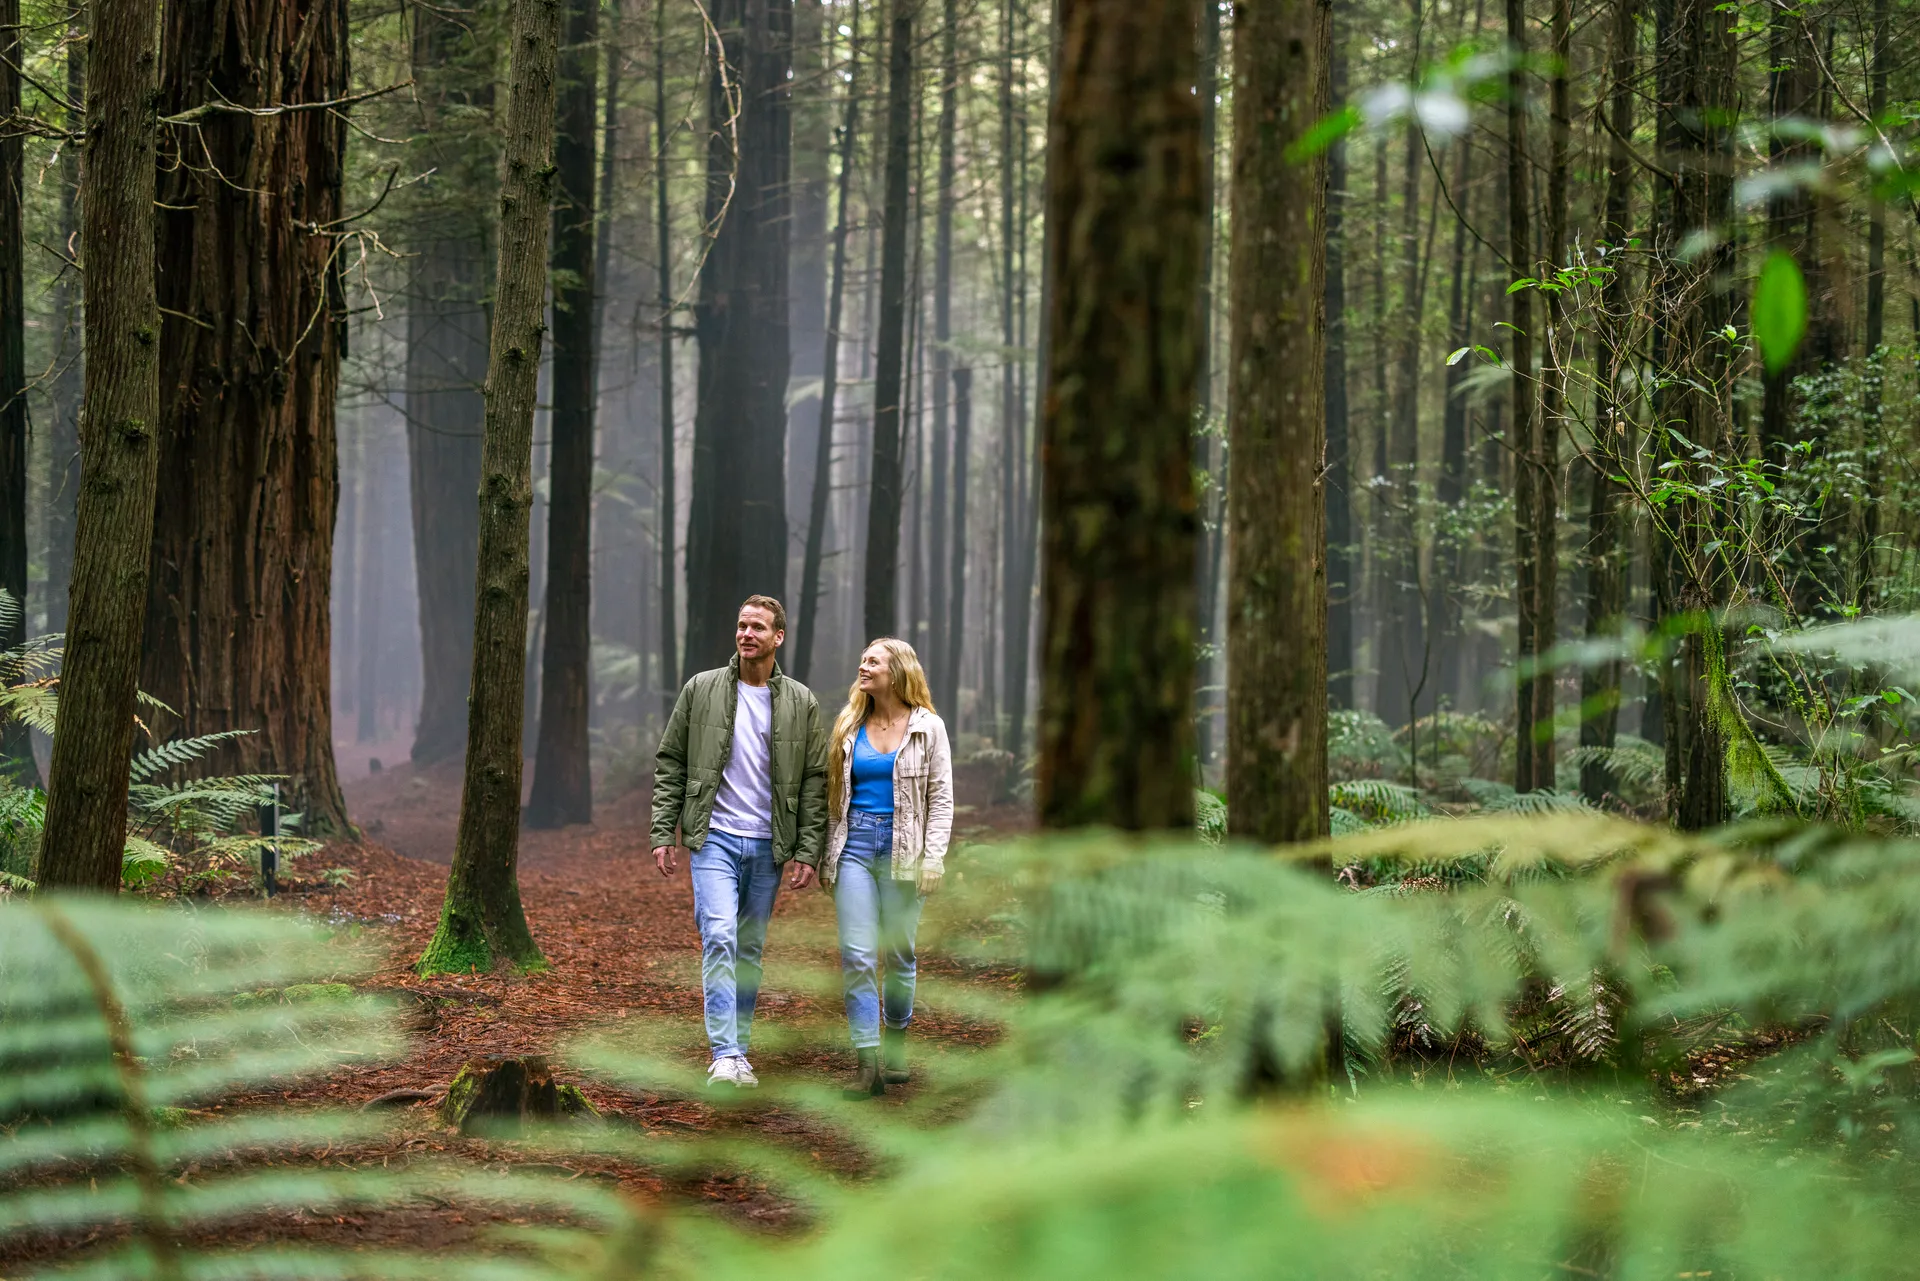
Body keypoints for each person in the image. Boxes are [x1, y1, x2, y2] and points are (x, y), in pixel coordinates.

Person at [652, 596, 827, 1089]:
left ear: (778, 638)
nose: (746, 634)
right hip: (715, 840)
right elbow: (671, 761)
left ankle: (740, 1052)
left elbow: (815, 780)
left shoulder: (800, 701)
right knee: (720, 937)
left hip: (769, 846)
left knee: (748, 951)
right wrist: (665, 831)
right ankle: (725, 1054)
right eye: (741, 624)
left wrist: (808, 850)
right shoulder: (701, 689)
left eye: (758, 627)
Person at [823, 638, 953, 1097]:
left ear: (897, 671)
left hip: (905, 851)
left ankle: (896, 1047)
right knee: (857, 955)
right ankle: (867, 1063)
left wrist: (933, 859)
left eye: (872, 661)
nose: (863, 666)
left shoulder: (928, 728)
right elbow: (832, 798)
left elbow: (940, 800)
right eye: (861, 659)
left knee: (900, 955)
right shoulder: (847, 724)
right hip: (854, 846)